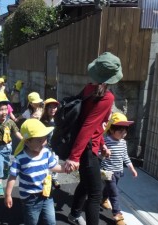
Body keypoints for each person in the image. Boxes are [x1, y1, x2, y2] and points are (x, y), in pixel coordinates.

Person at [64, 52, 124, 225]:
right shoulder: (107, 96)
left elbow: (94, 124)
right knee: (96, 194)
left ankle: (74, 214)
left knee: (85, 183)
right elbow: (88, 126)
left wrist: (103, 144)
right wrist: (74, 157)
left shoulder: (89, 89)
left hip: (90, 146)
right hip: (87, 150)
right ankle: (76, 215)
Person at [4, 119, 66, 225]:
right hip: (30, 199)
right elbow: (12, 177)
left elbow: (54, 167)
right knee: (32, 221)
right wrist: (8, 194)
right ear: (27, 141)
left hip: (46, 193)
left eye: (45, 138)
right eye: (39, 140)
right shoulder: (20, 158)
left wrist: (66, 169)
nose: (44, 142)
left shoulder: (46, 152)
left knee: (51, 222)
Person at [100, 112, 138, 225]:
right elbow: (97, 152)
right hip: (107, 171)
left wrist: (131, 168)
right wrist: (103, 152)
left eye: (125, 131)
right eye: (120, 131)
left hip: (118, 171)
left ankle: (103, 199)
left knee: (110, 188)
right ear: (111, 130)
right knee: (114, 192)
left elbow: (125, 156)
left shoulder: (123, 143)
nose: (124, 133)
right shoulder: (105, 141)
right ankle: (117, 215)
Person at [40, 98, 61, 188]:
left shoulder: (59, 120)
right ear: (46, 109)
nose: (53, 109)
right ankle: (45, 178)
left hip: (55, 146)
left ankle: (54, 178)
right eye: (50, 107)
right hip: (45, 146)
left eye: (55, 107)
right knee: (45, 163)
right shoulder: (42, 121)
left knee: (55, 162)